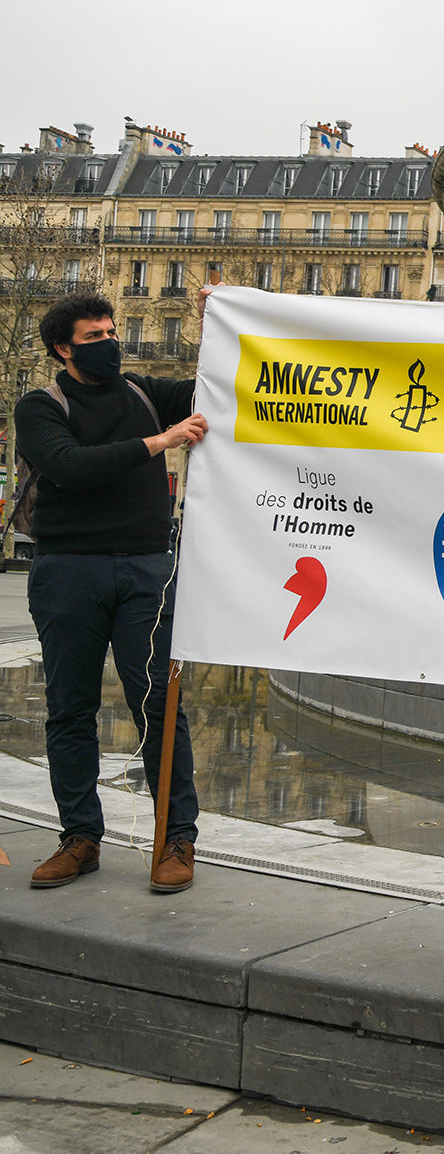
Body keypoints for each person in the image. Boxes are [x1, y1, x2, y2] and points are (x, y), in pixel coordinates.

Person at [17, 292, 208, 893]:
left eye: (111, 331)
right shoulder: (40, 406)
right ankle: (80, 838)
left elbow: (220, 387)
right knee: (70, 707)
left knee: (159, 705)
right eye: (94, 337)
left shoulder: (144, 393)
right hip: (68, 570)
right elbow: (70, 466)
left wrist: (220, 322)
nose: (109, 343)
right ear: (63, 348)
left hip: (147, 569)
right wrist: (162, 442)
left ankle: (176, 838)